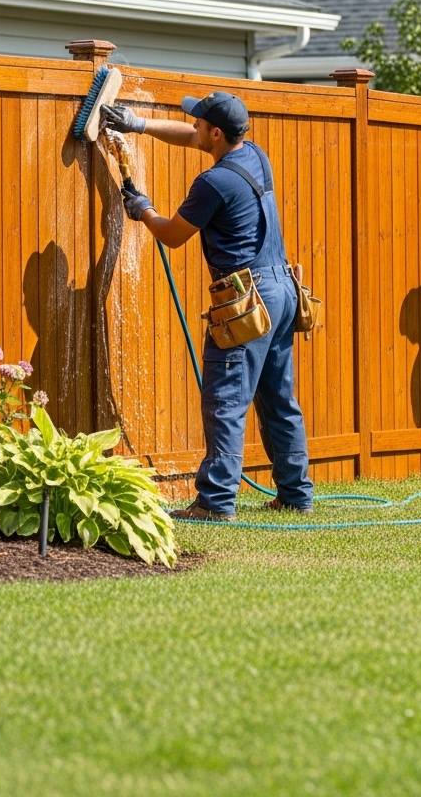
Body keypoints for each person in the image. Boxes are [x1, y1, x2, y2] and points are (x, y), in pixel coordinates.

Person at [103, 91, 314, 520]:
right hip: (283, 290)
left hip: (247, 299)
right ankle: (296, 495)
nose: (194, 127)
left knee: (225, 399)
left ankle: (216, 502)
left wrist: (143, 208)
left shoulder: (213, 184)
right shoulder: (254, 154)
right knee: (278, 397)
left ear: (216, 132)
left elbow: (173, 234)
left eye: (200, 124)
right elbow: (191, 137)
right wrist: (137, 124)